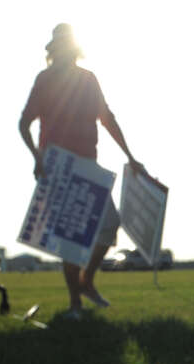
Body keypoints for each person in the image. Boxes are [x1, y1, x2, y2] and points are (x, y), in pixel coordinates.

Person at [19, 23, 146, 318]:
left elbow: (107, 118)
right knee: (69, 240)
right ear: (54, 52)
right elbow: (23, 123)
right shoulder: (45, 80)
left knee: (109, 223)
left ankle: (86, 280)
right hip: (58, 168)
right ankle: (74, 305)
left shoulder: (88, 80)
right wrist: (37, 158)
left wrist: (130, 155)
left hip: (88, 164)